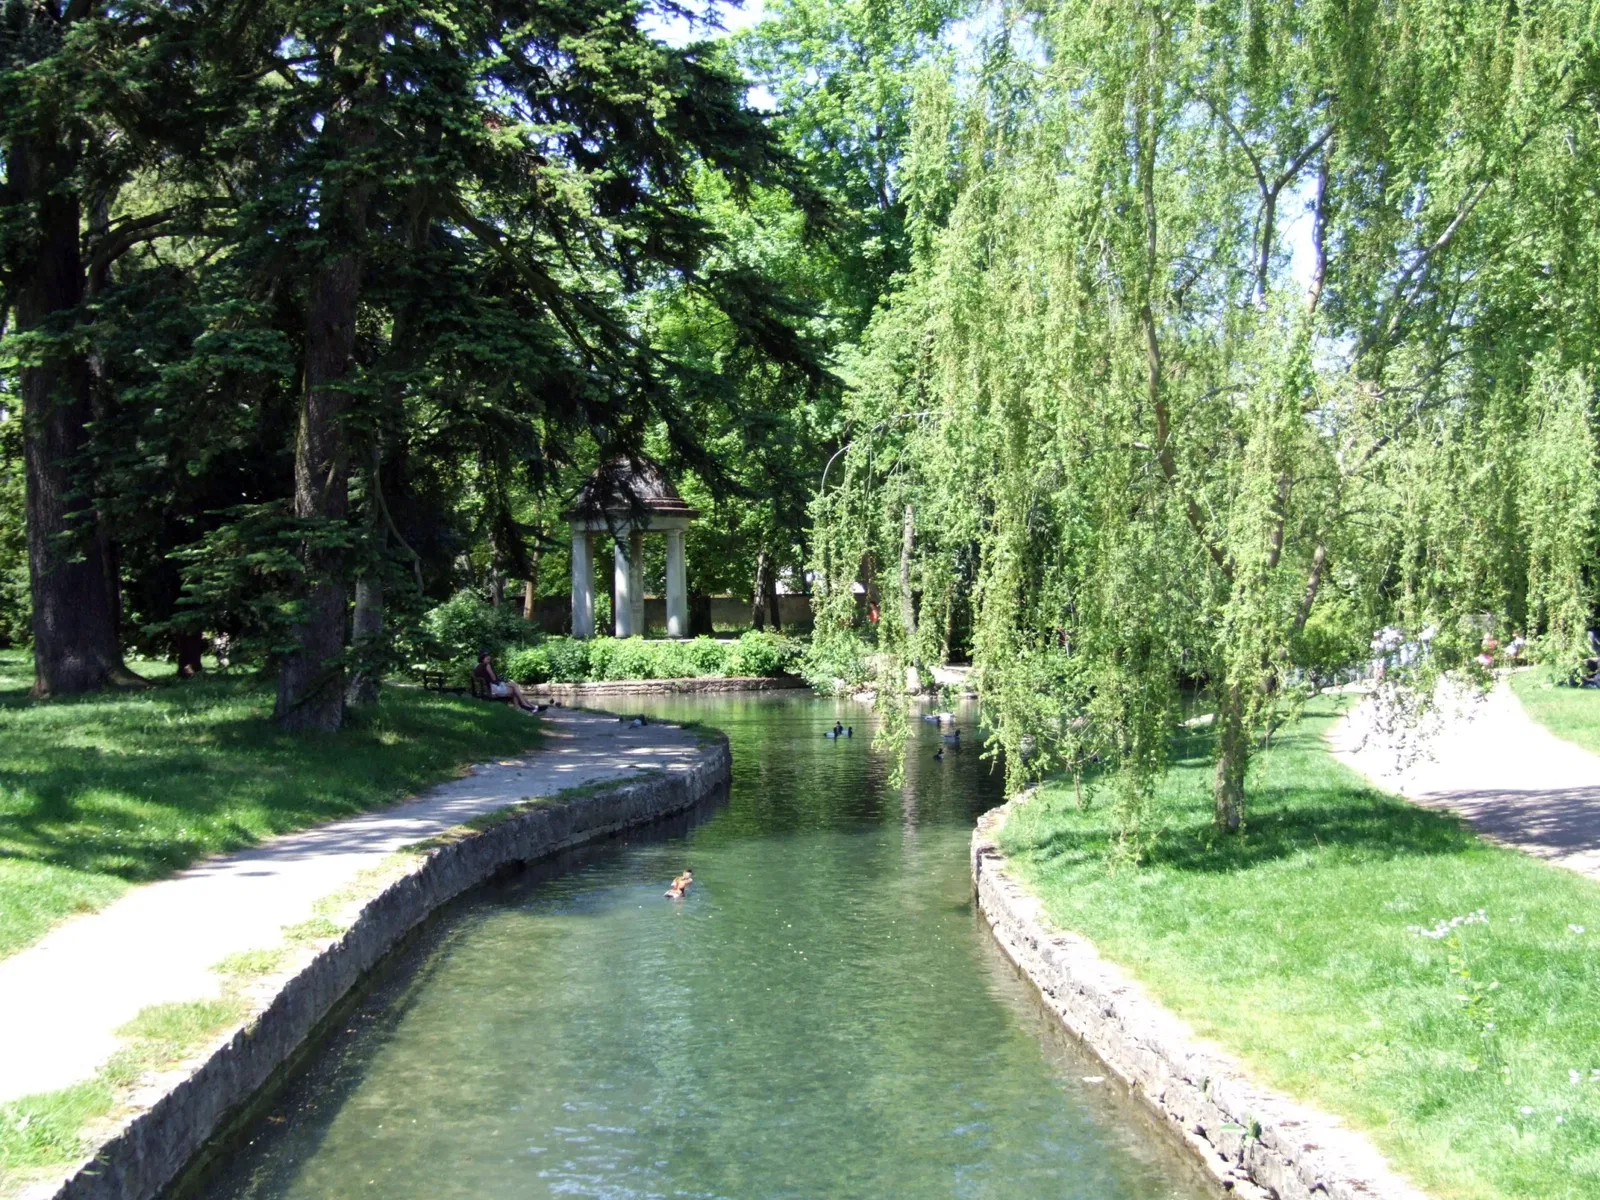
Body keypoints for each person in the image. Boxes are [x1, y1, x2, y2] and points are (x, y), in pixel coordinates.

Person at [472, 651, 539, 713]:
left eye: (489, 660)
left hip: (486, 689)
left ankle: (528, 706)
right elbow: (494, 678)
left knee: (514, 686)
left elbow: (482, 678)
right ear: (483, 659)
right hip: (492, 690)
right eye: (488, 659)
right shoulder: (486, 665)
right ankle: (525, 705)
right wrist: (498, 678)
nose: (489, 661)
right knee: (514, 689)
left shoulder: (476, 666)